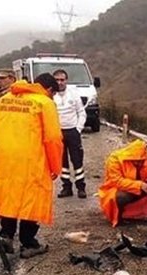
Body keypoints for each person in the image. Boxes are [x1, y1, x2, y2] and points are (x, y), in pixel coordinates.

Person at [0, 73, 63, 258]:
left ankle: (6, 234)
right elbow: (53, 139)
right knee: (32, 198)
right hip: (31, 159)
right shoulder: (44, 103)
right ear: (50, 89)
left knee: (9, 196)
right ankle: (28, 242)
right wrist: (55, 167)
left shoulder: (6, 99)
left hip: (3, 159)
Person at [98, 138, 147, 227]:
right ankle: (119, 217)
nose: (139, 163)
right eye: (137, 161)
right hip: (118, 191)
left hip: (139, 188)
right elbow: (117, 181)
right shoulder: (114, 159)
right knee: (121, 197)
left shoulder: (144, 156)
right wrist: (139, 185)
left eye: (141, 161)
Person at [52, 69, 88, 199]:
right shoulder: (50, 95)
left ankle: (81, 188)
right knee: (62, 162)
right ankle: (66, 187)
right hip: (57, 133)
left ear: (66, 80)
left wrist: (78, 129)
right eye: (57, 80)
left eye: (62, 80)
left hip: (73, 131)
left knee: (77, 160)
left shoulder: (73, 94)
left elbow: (81, 113)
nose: (60, 82)